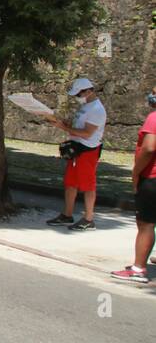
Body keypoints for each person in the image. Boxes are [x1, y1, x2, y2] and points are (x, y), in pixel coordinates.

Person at [43, 77, 107, 231]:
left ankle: (89, 218)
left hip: (88, 149)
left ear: (89, 91)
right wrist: (62, 123)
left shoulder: (97, 110)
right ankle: (67, 214)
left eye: (79, 94)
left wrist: (63, 128)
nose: (78, 98)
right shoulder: (86, 106)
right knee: (70, 183)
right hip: (77, 148)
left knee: (87, 185)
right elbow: (78, 126)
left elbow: (86, 133)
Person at [111, 85, 156, 282]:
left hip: (152, 177)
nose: (151, 95)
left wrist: (136, 172)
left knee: (145, 223)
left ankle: (138, 269)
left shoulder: (154, 118)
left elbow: (149, 148)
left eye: (155, 92)